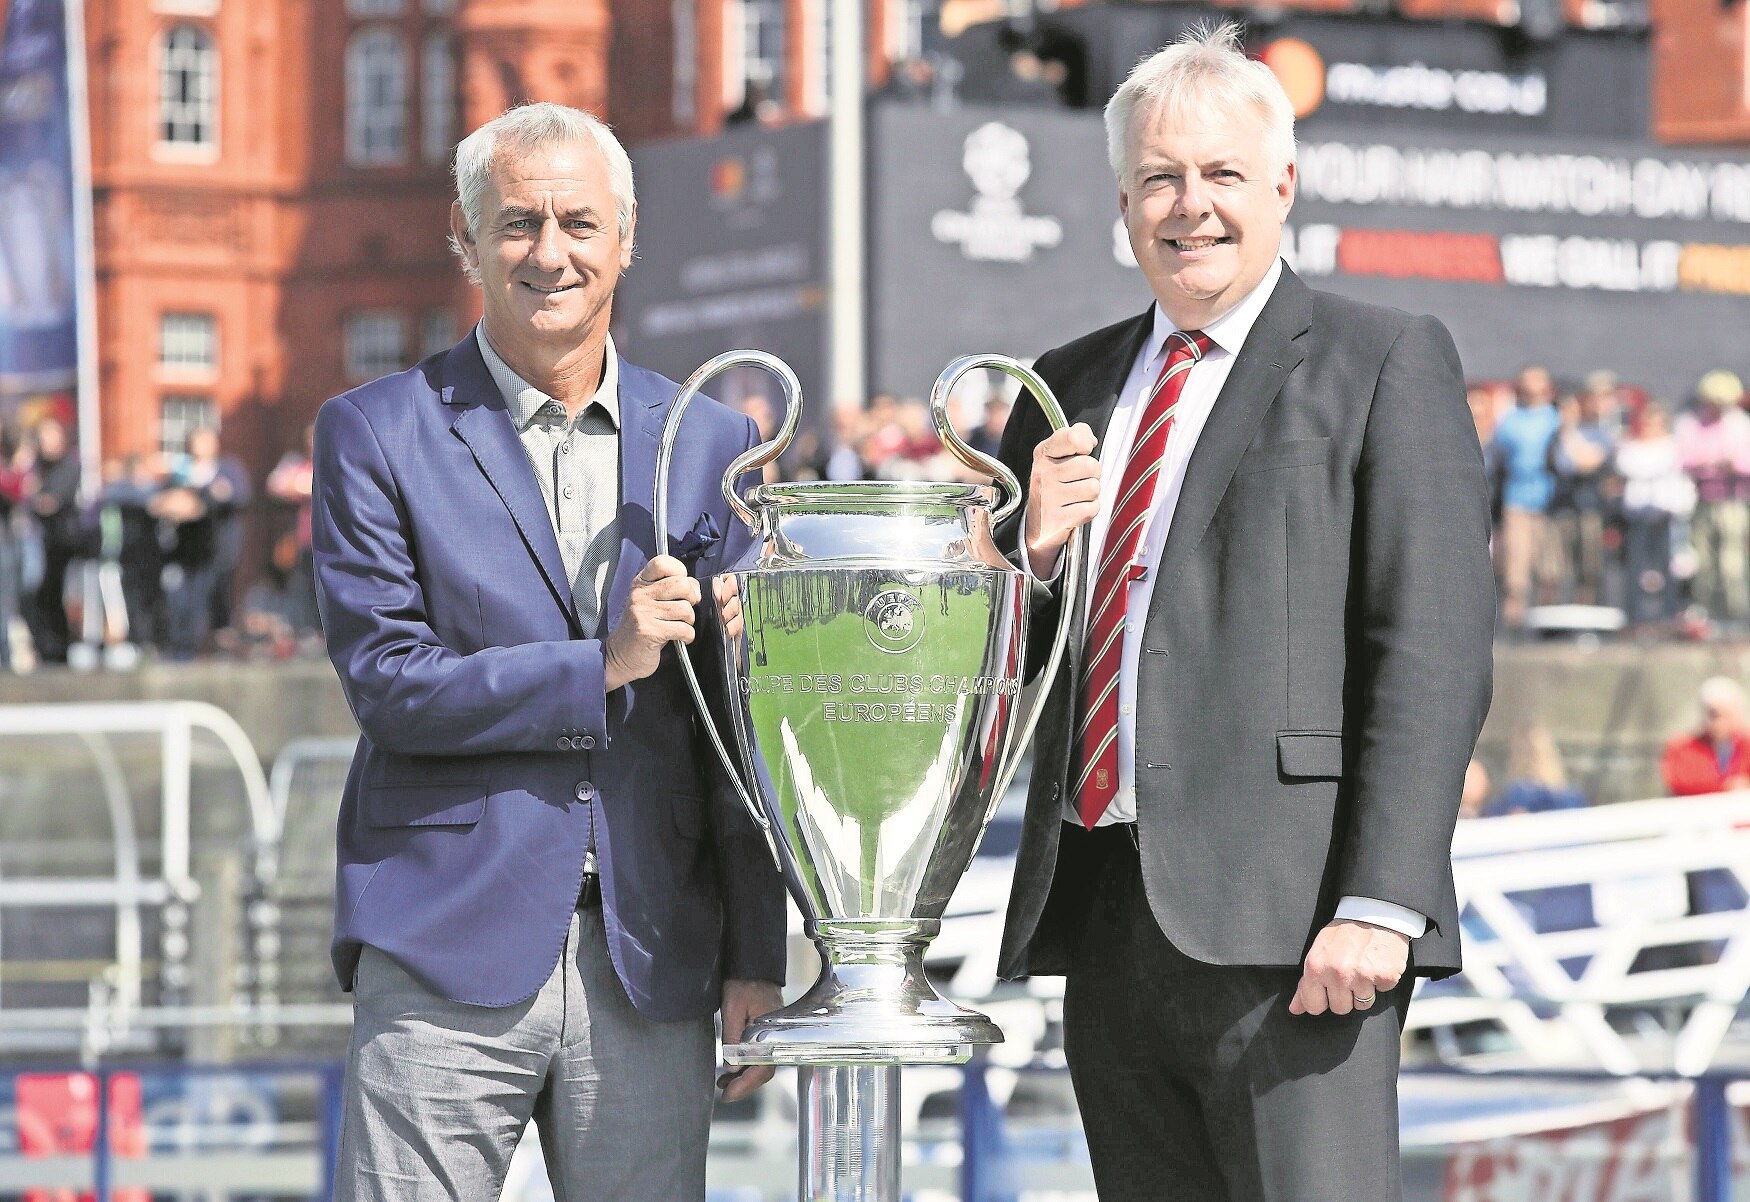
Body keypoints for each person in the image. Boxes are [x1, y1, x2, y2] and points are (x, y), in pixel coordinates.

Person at [990, 27, 1494, 1200]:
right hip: (1108, 920)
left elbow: (1428, 649)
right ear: (1123, 202)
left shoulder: (1382, 361)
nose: (1190, 205)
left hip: (1300, 928)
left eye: (1220, 174)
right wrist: (1030, 558)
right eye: (1160, 177)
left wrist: (1380, 902)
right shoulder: (1062, 385)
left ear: (1282, 184)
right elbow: (999, 677)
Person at [311, 102, 786, 1201]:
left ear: (626, 236)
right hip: (440, 939)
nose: (550, 250)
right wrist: (602, 664)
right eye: (518, 222)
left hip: (652, 951)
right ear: (465, 240)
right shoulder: (374, 430)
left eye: (579, 220)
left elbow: (737, 733)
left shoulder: (709, 440)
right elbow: (388, 684)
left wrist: (756, 951)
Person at [1675, 370, 1750, 627]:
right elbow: (1685, 458)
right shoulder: (1692, 423)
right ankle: (1706, 616)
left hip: (1733, 502)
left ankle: (1734, 617)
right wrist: (1713, 464)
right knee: (1702, 563)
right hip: (1702, 502)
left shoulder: (1739, 424)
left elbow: (1744, 462)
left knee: (1731, 563)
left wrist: (1728, 465)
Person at [1493, 365, 1563, 629]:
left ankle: (1547, 626)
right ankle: (1514, 624)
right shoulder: (1511, 419)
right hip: (1517, 500)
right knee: (1516, 567)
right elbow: (1500, 451)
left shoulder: (1556, 418)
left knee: (1550, 566)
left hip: (1549, 501)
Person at [1615, 403, 1692, 629]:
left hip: (1666, 515)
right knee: (1635, 566)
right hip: (1638, 516)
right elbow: (1630, 467)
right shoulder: (1630, 448)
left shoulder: (1673, 447)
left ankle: (1669, 614)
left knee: (1669, 566)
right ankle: (1634, 615)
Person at [1662, 676, 1750, 797]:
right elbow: (1679, 781)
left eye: (1727, 715)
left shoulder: (1746, 744)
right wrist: (1725, 787)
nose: (1720, 722)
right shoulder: (1682, 747)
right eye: (1714, 715)